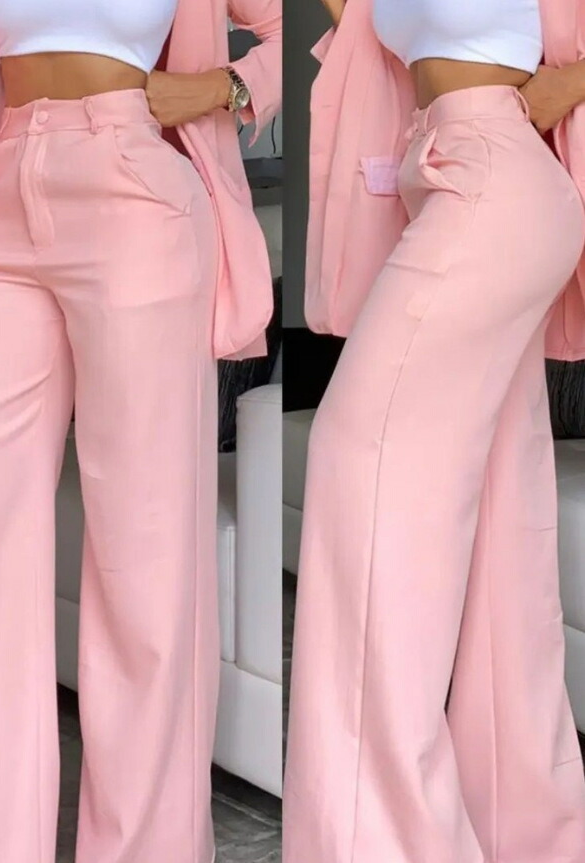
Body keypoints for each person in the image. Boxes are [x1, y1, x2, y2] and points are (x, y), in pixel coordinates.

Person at [0, 1, 282, 861]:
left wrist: (222, 88)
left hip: (133, 190)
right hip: (0, 191)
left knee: (146, 561)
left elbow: (304, 30)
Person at [284, 0, 585, 861]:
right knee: (503, 531)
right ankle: (531, 836)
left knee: (356, 457)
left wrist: (573, 80)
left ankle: (391, 840)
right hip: (449, 173)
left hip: (495, 179)